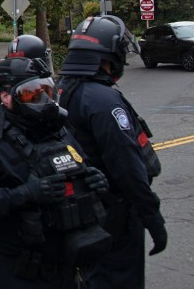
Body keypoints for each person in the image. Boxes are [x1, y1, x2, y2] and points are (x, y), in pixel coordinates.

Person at [0, 35, 112, 287]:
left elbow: (80, 167)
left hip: (67, 261)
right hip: (20, 270)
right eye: (31, 94)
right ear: (6, 97)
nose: (43, 101)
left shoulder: (58, 130)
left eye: (47, 91)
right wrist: (26, 193)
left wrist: (95, 181)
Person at [56, 15, 167, 287]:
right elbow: (126, 164)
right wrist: (151, 215)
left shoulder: (62, 88)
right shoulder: (102, 98)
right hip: (112, 211)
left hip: (83, 209)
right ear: (109, 53)